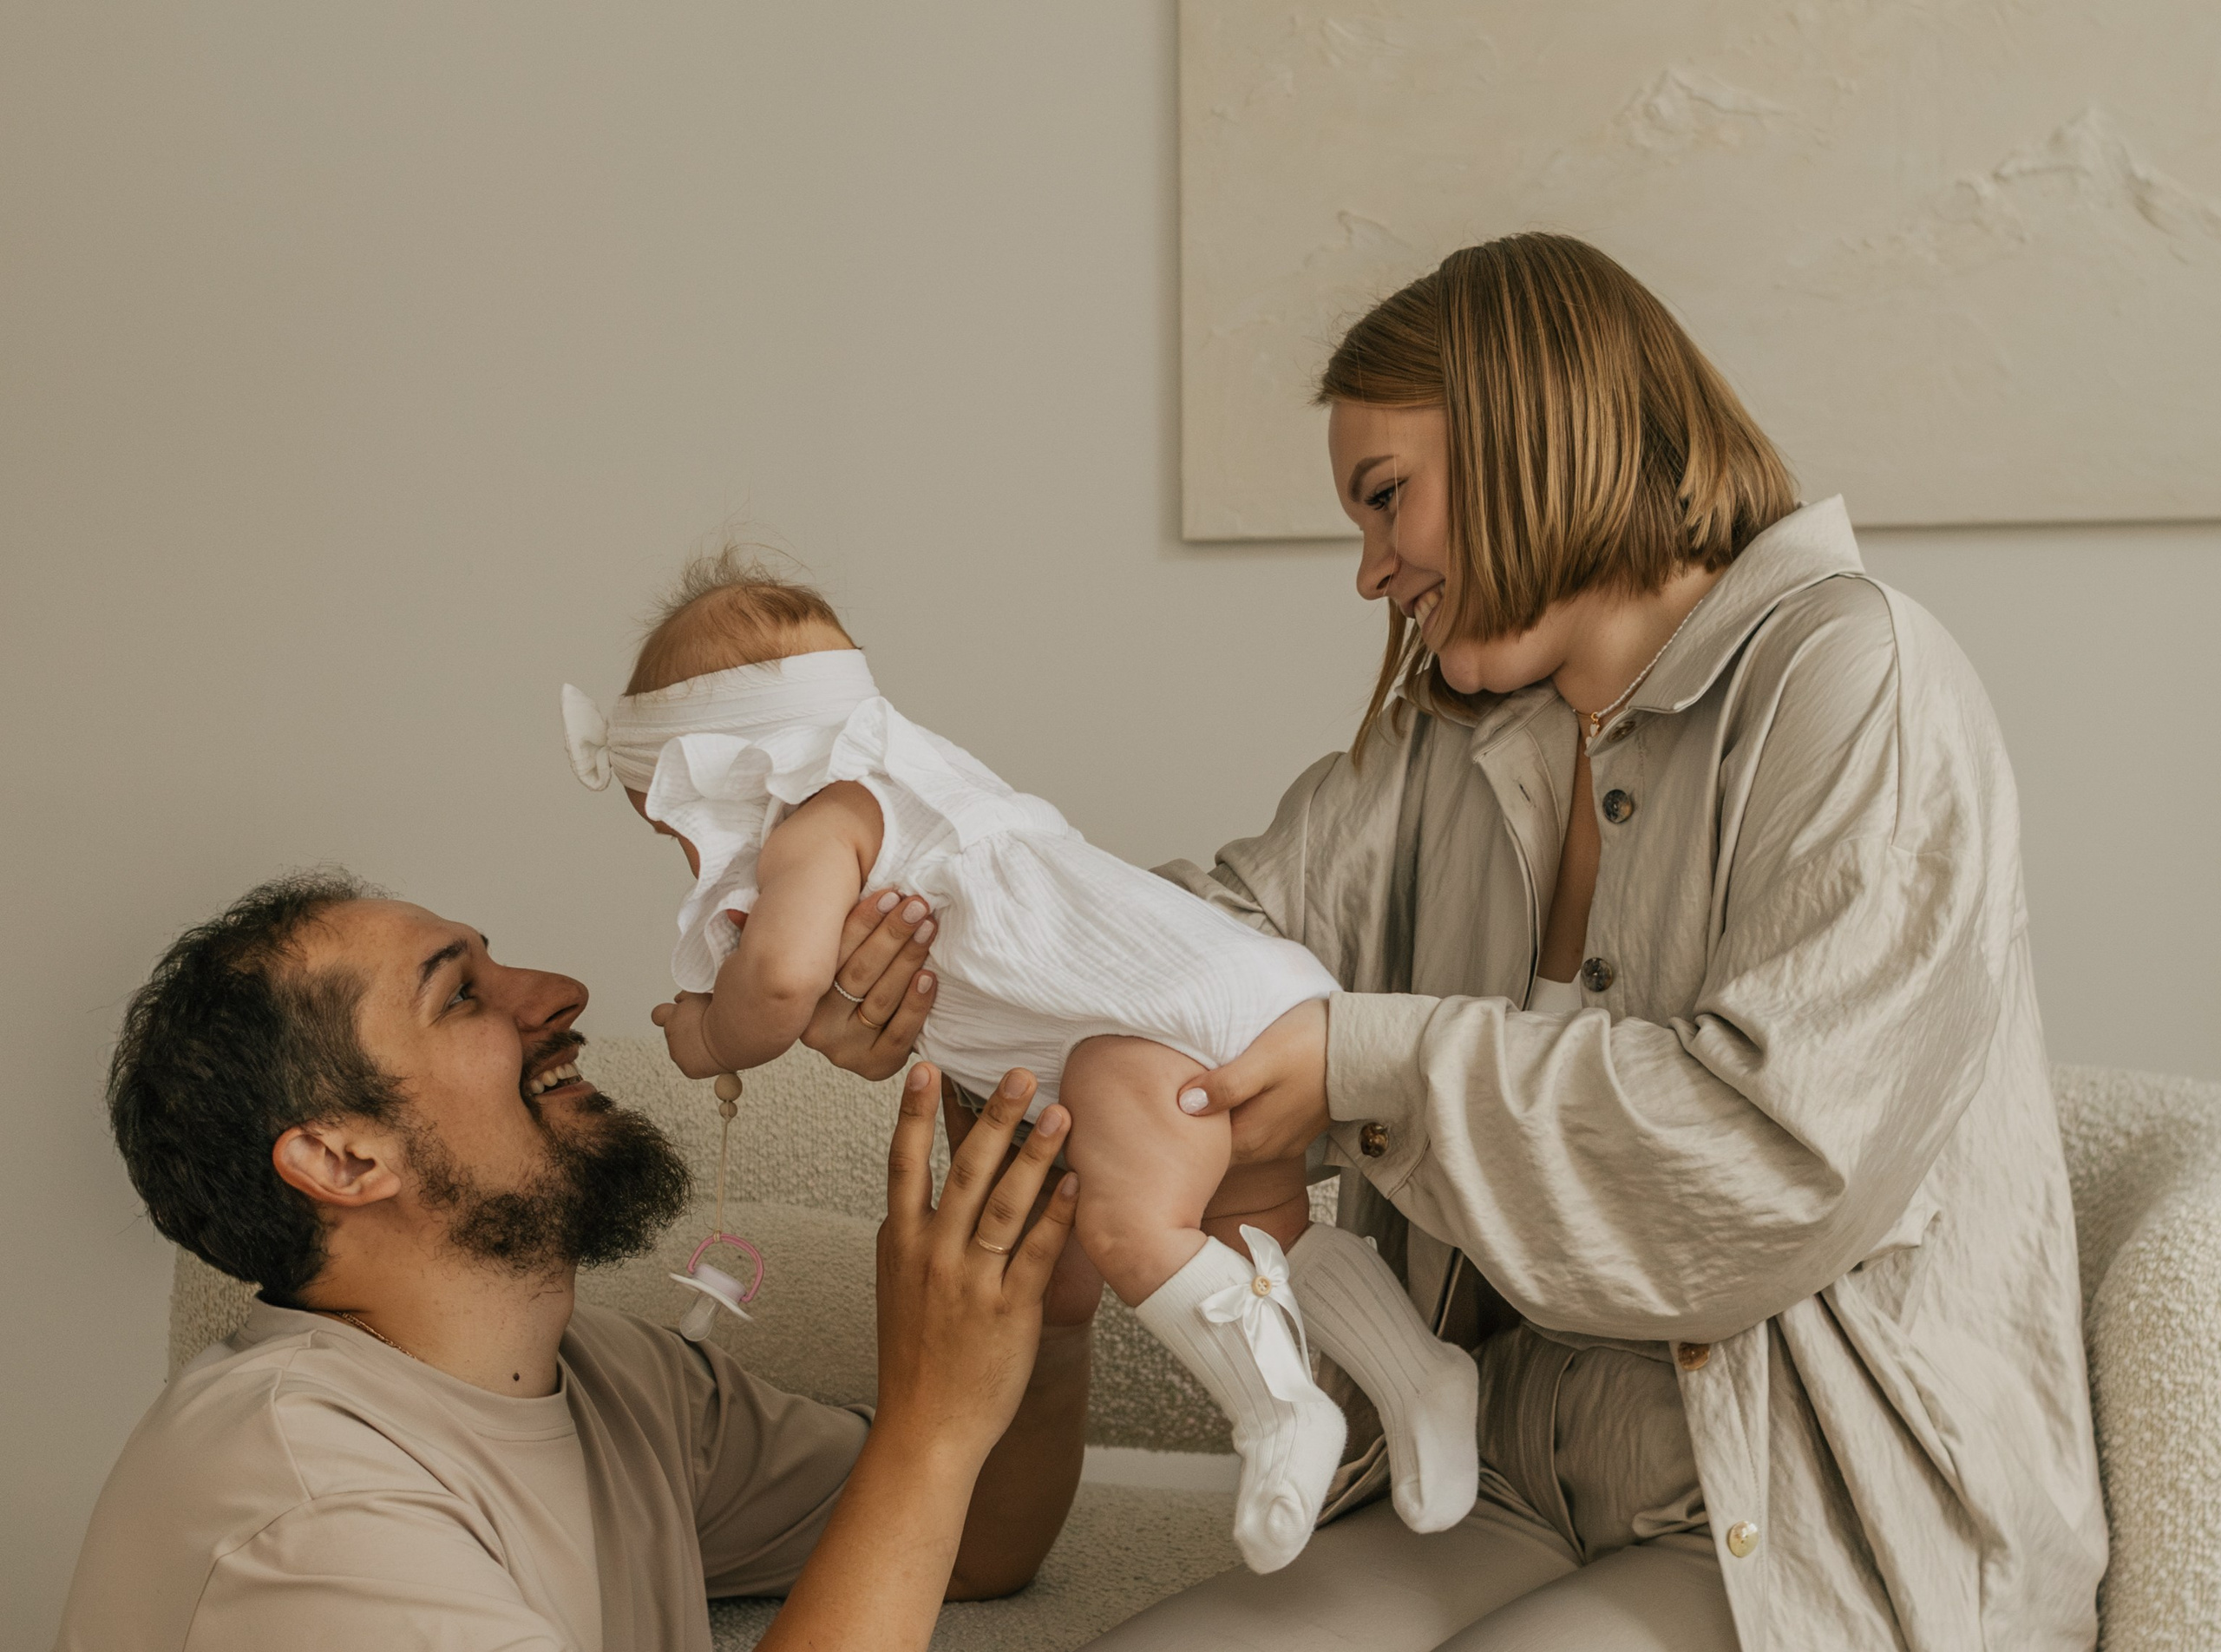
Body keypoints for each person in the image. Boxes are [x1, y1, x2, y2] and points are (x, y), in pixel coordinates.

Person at [837, 233, 2109, 1649]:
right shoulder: (1444, 750)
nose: (1373, 573)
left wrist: (1362, 1059)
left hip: (1805, 1508)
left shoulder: (1856, 673)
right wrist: (940, 949)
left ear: (1535, 435)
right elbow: (1200, 952)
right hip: (1506, 1471)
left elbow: (1783, 1161)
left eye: (1388, 501)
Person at [555, 561, 1479, 1574]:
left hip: (1143, 1037)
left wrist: (707, 1036)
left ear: (728, 776)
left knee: (1132, 1226)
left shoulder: (825, 817)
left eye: (682, 835)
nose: (705, 867)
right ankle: (1417, 1371)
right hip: (1251, 993)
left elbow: (778, 981)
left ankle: (1277, 1409)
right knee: (1262, 1224)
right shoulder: (929, 782)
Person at [56, 870, 1096, 1652]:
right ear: (341, 1155)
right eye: (460, 993)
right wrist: (928, 1420)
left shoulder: (613, 1382)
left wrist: (1039, 1309)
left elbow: (979, 1543)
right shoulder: (306, 1504)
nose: (558, 992)